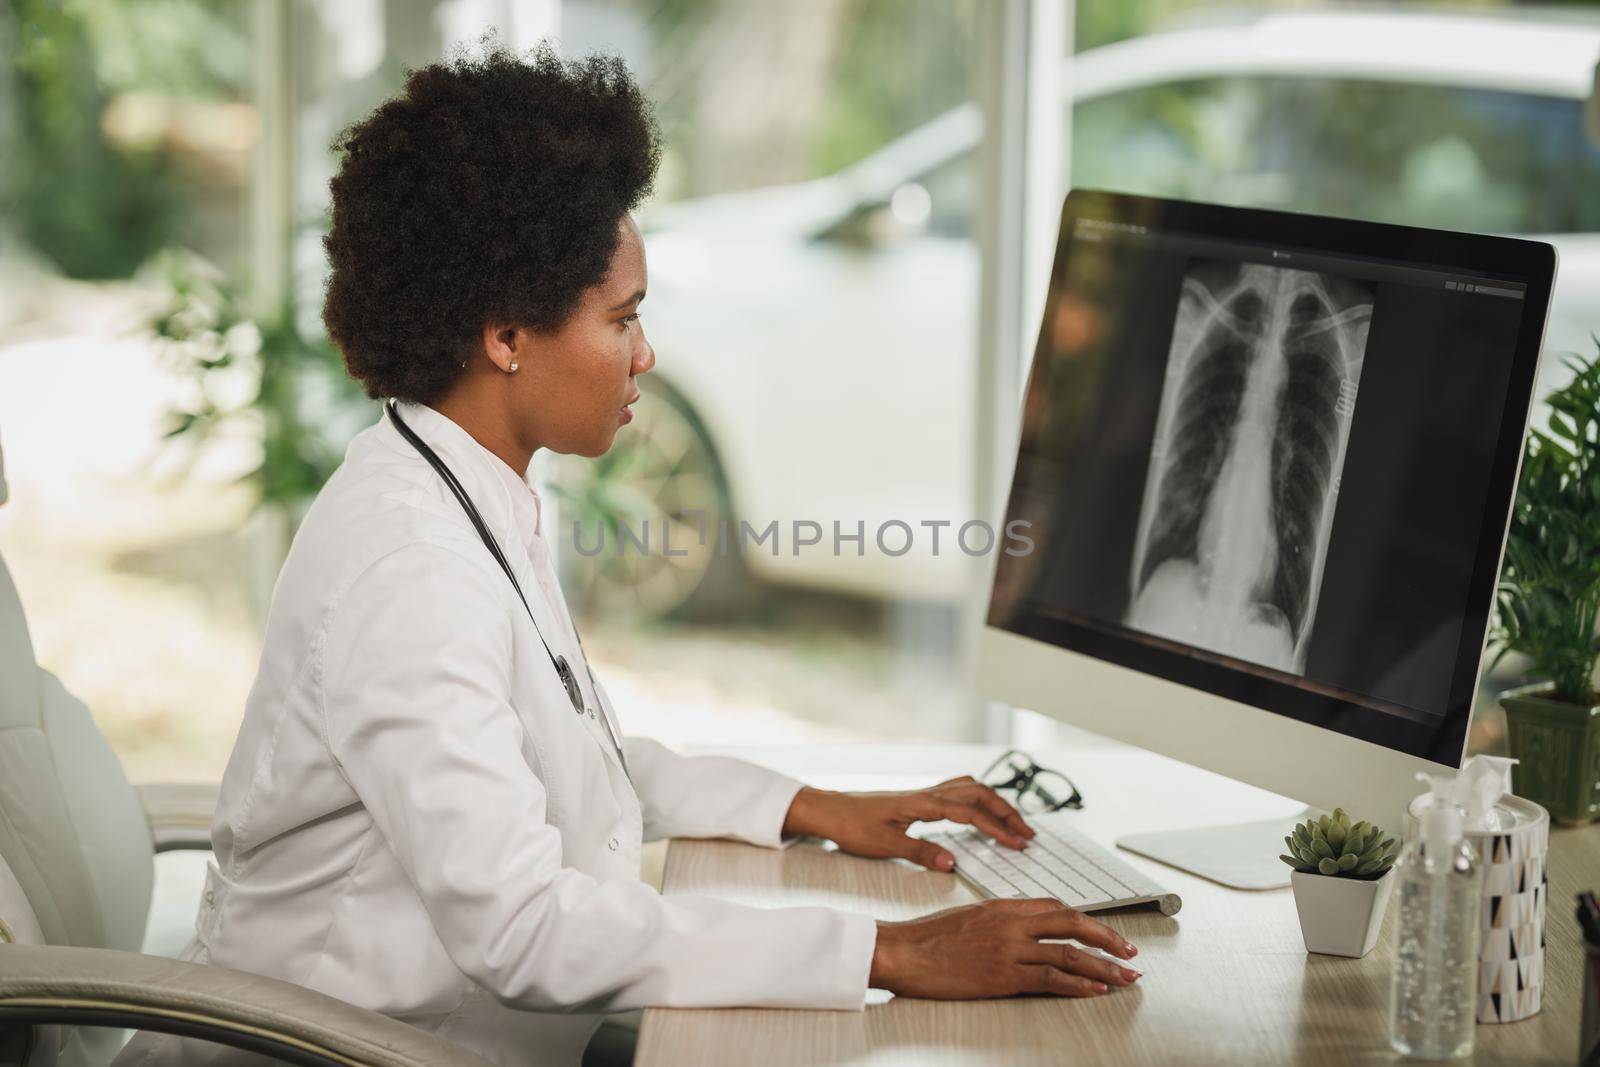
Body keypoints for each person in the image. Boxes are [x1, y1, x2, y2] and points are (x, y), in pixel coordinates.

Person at [117, 42, 1139, 1067]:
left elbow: (563, 759)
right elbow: (524, 931)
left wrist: (810, 807)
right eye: (624, 316)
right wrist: (889, 949)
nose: (645, 353)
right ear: (507, 333)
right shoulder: (409, 572)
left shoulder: (459, 483)